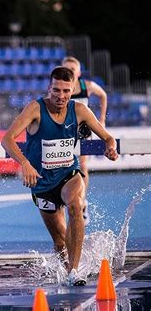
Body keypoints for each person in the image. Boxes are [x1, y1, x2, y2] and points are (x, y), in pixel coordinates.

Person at [1, 66, 118, 286]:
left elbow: (107, 138)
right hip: (42, 182)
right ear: (49, 88)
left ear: (73, 89)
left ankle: (74, 271)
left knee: (75, 205)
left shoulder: (80, 110)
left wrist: (110, 148)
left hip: (69, 174)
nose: (61, 96)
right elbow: (7, 139)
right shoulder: (35, 109)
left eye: (66, 91)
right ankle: (67, 270)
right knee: (59, 241)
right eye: (56, 90)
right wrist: (25, 163)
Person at [61, 56, 108, 225]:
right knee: (64, 167)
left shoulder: (86, 86)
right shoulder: (58, 88)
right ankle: (66, 199)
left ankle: (81, 201)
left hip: (82, 132)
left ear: (79, 72)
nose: (69, 72)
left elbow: (103, 95)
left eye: (72, 69)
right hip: (63, 133)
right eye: (66, 68)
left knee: (83, 166)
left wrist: (101, 119)